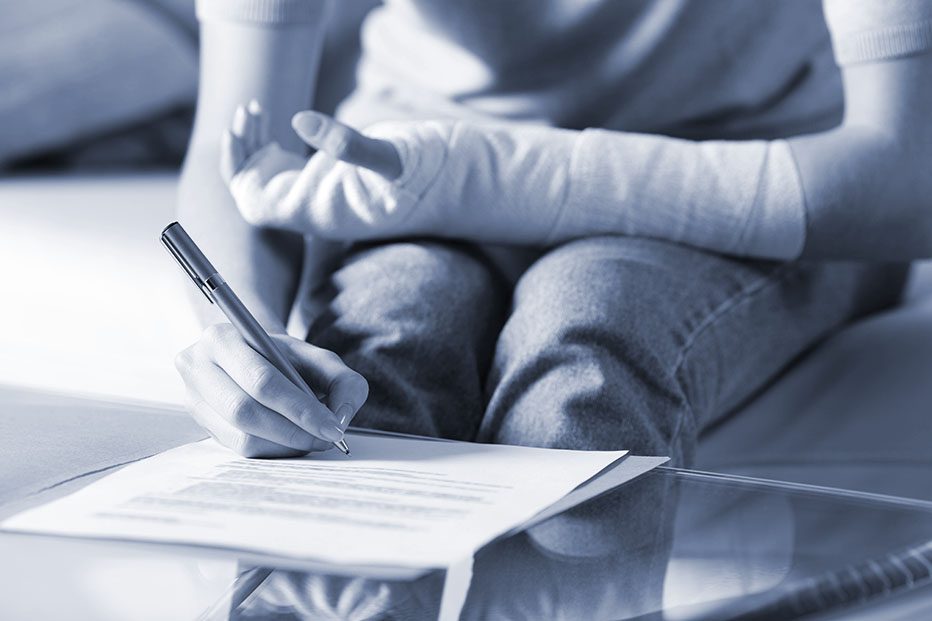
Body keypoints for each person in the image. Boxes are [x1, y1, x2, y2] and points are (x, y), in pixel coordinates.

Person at [174, 0, 932, 464]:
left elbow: (909, 178)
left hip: (768, 171)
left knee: (589, 345)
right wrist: (244, 338)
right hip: (409, 174)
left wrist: (493, 177)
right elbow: (238, 143)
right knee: (378, 353)